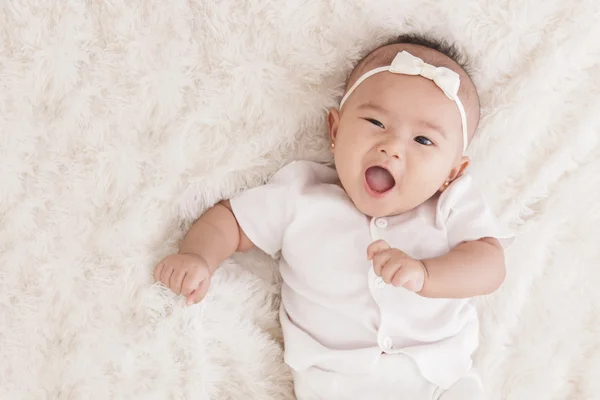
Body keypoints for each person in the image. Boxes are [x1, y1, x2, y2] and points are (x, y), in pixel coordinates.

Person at [153, 34, 512, 399]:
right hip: (335, 384)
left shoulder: (451, 204)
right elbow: (228, 220)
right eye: (376, 122)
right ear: (335, 131)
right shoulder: (300, 196)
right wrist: (199, 256)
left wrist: (425, 275)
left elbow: (489, 265)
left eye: (423, 141)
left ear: (452, 172)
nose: (391, 147)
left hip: (440, 380)